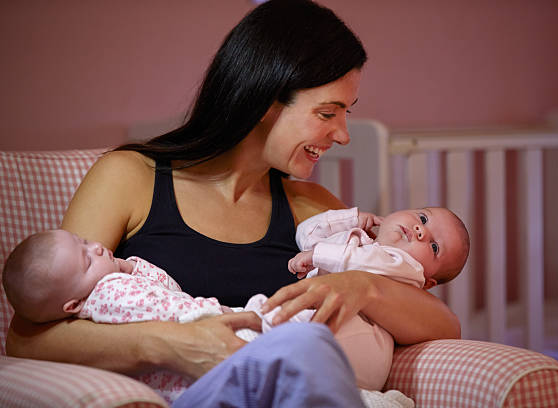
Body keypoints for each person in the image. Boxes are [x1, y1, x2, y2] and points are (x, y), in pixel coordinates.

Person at [6, 0, 460, 406]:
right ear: (265, 100)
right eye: (327, 112)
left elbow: (444, 326)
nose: (342, 134)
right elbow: (30, 340)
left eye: (347, 112)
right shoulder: (131, 178)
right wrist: (170, 344)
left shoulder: (312, 209)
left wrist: (364, 286)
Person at [3, 229, 414, 407]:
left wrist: (367, 283)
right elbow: (176, 312)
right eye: (327, 112)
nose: (96, 247)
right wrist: (229, 317)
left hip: (223, 373)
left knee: (306, 352)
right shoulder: (108, 293)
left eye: (87, 242)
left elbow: (163, 287)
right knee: (305, 345)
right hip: (194, 385)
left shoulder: (113, 280)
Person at [250, 206, 470, 390]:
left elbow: (364, 262)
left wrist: (318, 255)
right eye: (423, 218)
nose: (421, 230)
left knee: (295, 328)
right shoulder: (359, 241)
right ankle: (254, 330)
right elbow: (306, 235)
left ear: (428, 282)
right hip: (332, 339)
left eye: (434, 247)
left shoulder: (405, 267)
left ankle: (259, 337)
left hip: (362, 347)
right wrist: (350, 219)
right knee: (285, 321)